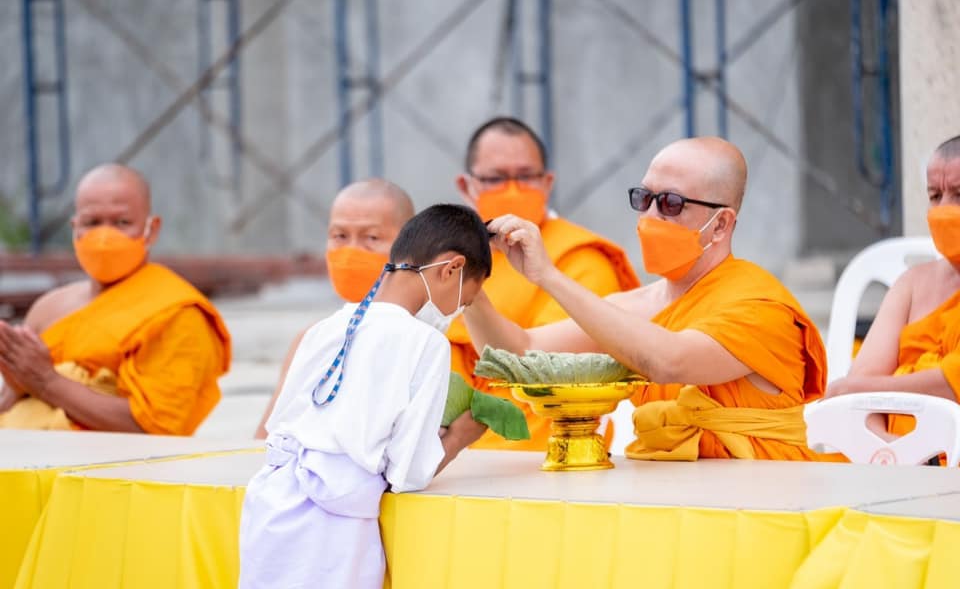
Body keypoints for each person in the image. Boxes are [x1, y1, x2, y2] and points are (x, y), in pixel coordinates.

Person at [465, 137, 830, 461]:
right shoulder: (637, 305)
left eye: (671, 204)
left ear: (719, 224)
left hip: (763, 492)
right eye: (644, 199)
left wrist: (548, 276)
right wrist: (469, 288)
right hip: (662, 491)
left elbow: (669, 361)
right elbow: (518, 353)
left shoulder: (759, 306)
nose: (650, 217)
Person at [233, 204, 491, 589]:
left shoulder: (324, 327)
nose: (455, 312)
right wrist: (461, 435)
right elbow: (407, 472)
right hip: (333, 527)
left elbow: (279, 424)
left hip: (271, 505)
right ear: (451, 268)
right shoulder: (425, 343)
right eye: (466, 299)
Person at [452, 116, 640, 450]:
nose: (512, 190)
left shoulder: (579, 259)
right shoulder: (451, 256)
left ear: (547, 183)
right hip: (446, 451)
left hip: (541, 451)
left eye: (525, 177)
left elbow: (547, 369)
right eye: (496, 178)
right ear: (467, 187)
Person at [0, 164, 230, 434]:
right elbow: (10, 404)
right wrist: (18, 384)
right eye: (92, 223)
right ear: (75, 228)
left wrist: (49, 383)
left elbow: (159, 426)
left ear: (151, 230)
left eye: (122, 223)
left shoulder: (176, 312)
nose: (104, 237)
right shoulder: (47, 307)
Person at [252, 178, 414, 438]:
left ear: (410, 244)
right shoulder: (312, 338)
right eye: (339, 236)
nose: (351, 252)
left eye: (371, 237)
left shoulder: (430, 336)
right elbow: (267, 438)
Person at [825, 135, 960, 441]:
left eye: (959, 194)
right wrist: (884, 448)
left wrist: (858, 389)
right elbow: (859, 387)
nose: (943, 209)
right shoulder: (912, 284)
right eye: (935, 195)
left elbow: (951, 383)